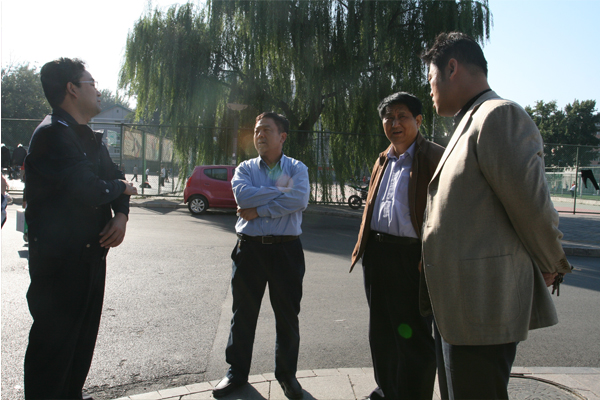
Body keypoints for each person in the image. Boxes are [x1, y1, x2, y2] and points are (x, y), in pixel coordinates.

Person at [420, 32, 572, 399]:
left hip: (481, 307)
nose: (430, 89)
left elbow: (532, 206)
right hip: (459, 307)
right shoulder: (471, 120)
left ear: (452, 68)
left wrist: (551, 261)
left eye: (431, 78)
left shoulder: (498, 115)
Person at [23, 57, 138, 400]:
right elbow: (89, 188)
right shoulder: (52, 135)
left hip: (90, 257)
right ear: (72, 89)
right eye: (92, 83)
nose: (98, 91)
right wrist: (122, 189)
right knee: (53, 348)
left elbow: (113, 176)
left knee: (80, 342)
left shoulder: (87, 135)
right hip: (60, 264)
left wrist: (121, 215)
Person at [349, 92, 444, 400]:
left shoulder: (435, 158)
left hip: (412, 257)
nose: (395, 123)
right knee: (381, 330)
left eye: (402, 116)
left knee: (414, 335)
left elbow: (449, 212)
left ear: (418, 120)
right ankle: (387, 389)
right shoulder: (383, 159)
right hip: (377, 254)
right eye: (388, 117)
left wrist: (431, 254)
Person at [213, 112, 309, 399]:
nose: (259, 135)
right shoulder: (244, 169)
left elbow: (299, 198)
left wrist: (260, 209)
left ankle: (287, 376)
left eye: (267, 129)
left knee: (287, 316)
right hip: (250, 250)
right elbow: (243, 197)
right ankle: (236, 372)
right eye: (256, 130)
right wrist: (279, 194)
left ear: (283, 136)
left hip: (286, 250)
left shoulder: (297, 168)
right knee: (242, 313)